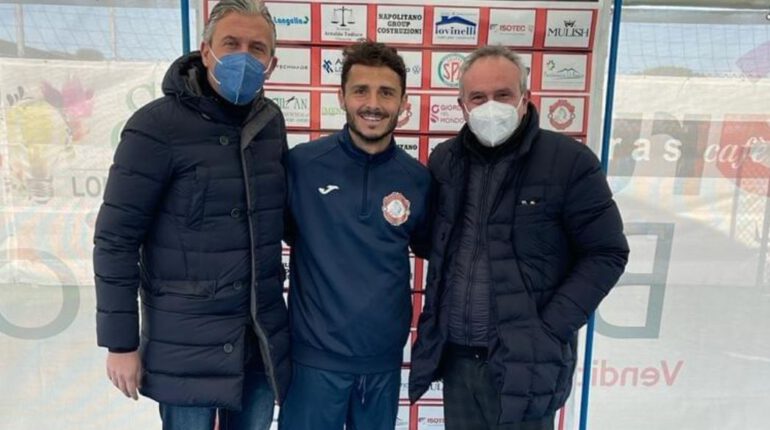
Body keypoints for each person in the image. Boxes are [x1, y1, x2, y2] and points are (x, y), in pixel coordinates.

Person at [409, 45, 630, 430]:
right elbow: (435, 243)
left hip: (527, 361)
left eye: (503, 94)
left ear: (525, 98)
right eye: (478, 97)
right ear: (462, 105)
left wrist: (549, 328)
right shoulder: (445, 161)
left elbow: (606, 252)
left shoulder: (569, 161)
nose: (490, 106)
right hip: (458, 361)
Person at [93, 1, 290, 429]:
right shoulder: (155, 126)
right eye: (231, 44)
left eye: (256, 48)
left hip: (257, 341)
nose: (243, 56)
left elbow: (282, 215)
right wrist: (120, 343)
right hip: (184, 345)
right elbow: (115, 239)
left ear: (271, 63)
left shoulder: (270, 123)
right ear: (205, 52)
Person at [278, 41, 431, 430]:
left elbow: (427, 245)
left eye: (386, 93)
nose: (373, 104)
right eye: (361, 90)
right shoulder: (302, 166)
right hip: (313, 363)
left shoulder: (418, 179)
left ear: (403, 102)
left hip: (382, 364)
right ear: (342, 97)